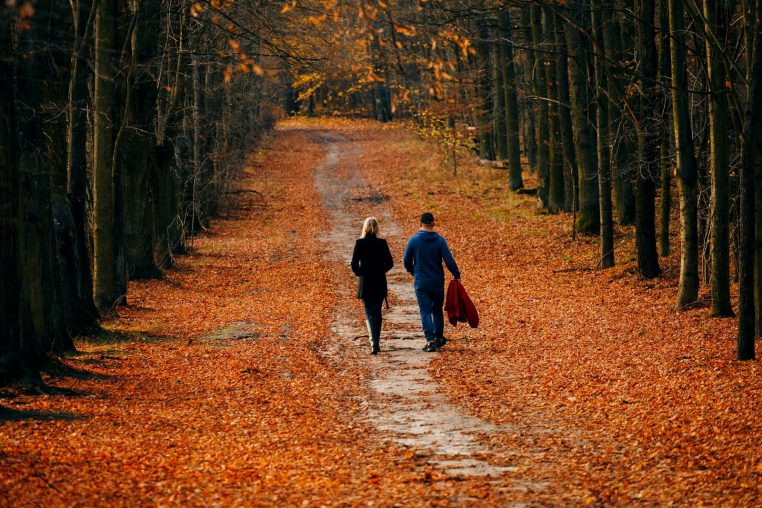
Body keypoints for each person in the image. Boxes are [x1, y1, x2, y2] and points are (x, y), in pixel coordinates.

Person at [403, 212, 461, 352]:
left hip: (421, 281)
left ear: (420, 223)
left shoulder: (414, 240)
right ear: (433, 224)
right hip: (437, 281)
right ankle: (439, 337)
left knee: (425, 311)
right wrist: (456, 274)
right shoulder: (440, 241)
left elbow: (406, 260)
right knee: (437, 310)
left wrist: (412, 271)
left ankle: (430, 340)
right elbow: (448, 260)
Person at [351, 217, 394, 355]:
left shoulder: (360, 243)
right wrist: (381, 270)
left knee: (369, 312)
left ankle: (373, 342)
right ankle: (377, 341)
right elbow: (390, 263)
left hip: (366, 282)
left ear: (365, 228)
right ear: (376, 228)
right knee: (377, 312)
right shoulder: (382, 243)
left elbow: (353, 263)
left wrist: (360, 273)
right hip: (379, 281)